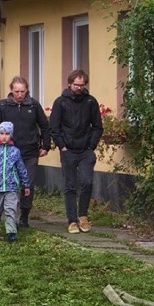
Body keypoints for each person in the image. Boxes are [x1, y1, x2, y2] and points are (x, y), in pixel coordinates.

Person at [0, 76, 50, 228]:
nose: (19, 94)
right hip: (7, 152)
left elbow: (45, 126)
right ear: (11, 90)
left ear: (27, 90)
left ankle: (24, 215)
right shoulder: (3, 106)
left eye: (22, 91)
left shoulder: (34, 105)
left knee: (27, 184)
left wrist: (45, 145)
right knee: (10, 184)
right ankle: (9, 214)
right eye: (16, 91)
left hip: (29, 151)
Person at [48, 69, 103, 234]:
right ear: (70, 84)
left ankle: (83, 215)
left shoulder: (90, 102)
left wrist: (91, 146)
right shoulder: (61, 102)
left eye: (82, 85)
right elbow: (54, 127)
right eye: (76, 85)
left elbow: (98, 126)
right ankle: (72, 220)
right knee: (70, 186)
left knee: (87, 182)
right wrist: (62, 146)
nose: (79, 88)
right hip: (68, 150)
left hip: (85, 150)